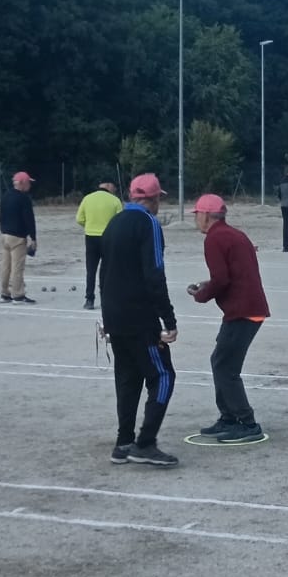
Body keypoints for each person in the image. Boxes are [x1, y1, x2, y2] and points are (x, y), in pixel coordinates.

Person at [100, 173, 180, 466]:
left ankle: (123, 442)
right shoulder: (149, 224)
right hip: (140, 317)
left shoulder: (114, 223)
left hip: (115, 315)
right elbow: (155, 274)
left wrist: (107, 316)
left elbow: (103, 273)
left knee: (127, 379)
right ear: (153, 198)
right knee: (163, 376)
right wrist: (168, 319)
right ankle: (145, 443)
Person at [186, 193, 269, 442]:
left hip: (242, 311)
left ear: (206, 216)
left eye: (197, 214)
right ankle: (229, 417)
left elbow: (222, 279)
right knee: (220, 362)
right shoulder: (234, 234)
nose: (196, 219)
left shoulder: (215, 238)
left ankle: (247, 422)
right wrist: (207, 284)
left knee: (225, 367)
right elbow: (232, 275)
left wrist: (201, 295)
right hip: (248, 308)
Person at [76, 180, 120, 308]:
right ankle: (106, 299)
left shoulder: (87, 198)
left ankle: (89, 299)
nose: (114, 189)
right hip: (108, 237)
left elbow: (79, 219)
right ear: (108, 185)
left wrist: (88, 226)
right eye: (114, 187)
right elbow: (120, 219)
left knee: (91, 270)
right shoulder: (114, 200)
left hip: (90, 237)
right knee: (107, 270)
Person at [0, 170, 38, 303]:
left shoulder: (5, 196)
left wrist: (3, 230)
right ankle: (18, 294)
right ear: (22, 183)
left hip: (5, 235)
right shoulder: (24, 198)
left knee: (6, 266)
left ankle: (5, 293)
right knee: (17, 267)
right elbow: (29, 219)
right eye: (28, 183)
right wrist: (33, 237)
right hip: (18, 237)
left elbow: (1, 216)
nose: (29, 186)